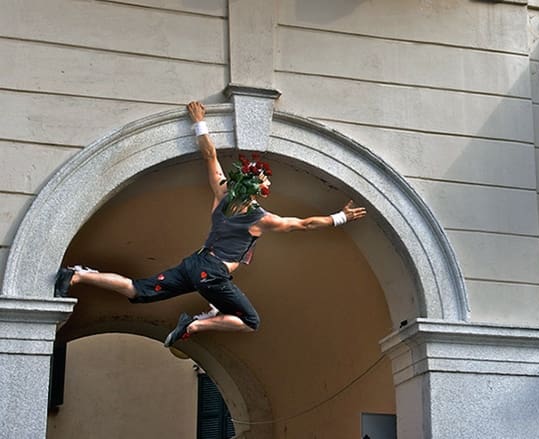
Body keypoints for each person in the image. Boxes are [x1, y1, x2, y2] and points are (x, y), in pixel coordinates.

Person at [54, 101, 367, 347]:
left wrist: (198, 121)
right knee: (250, 321)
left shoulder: (222, 196)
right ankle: (195, 324)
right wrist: (340, 217)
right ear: (259, 191)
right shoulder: (260, 220)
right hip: (212, 274)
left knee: (138, 290)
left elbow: (210, 156)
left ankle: (79, 276)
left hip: (195, 263)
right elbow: (304, 224)